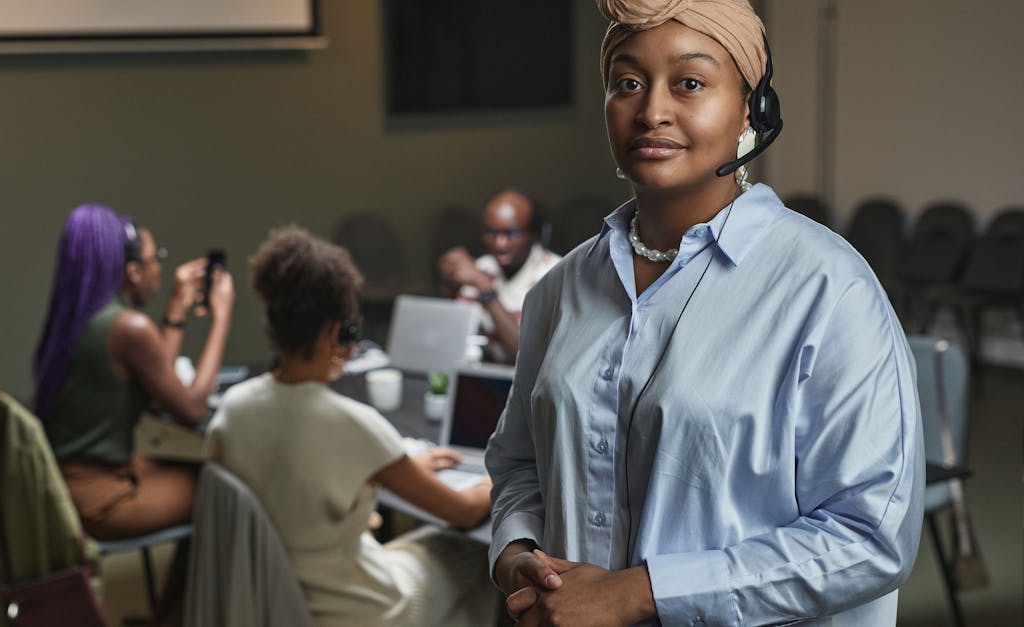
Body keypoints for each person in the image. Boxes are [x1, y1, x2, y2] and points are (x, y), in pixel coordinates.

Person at [486, 2, 924, 625]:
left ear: (751, 108)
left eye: (689, 83)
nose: (652, 110)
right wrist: (517, 552)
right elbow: (518, 463)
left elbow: (871, 537)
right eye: (627, 83)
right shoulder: (557, 291)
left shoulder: (828, 289)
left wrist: (639, 593)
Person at [206, 226, 498, 627]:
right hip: (364, 609)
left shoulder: (232, 409)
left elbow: (297, 479)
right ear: (332, 332)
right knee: (475, 554)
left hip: (273, 598)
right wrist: (498, 478)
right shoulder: (353, 424)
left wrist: (407, 467)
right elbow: (463, 513)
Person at [32, 203, 234, 540]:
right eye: (155, 259)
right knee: (230, 491)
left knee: (213, 483)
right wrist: (222, 316)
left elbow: (157, 391)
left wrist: (174, 310)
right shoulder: (130, 327)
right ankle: (193, 595)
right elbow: (191, 410)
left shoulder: (80, 319)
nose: (159, 270)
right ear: (135, 272)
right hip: (101, 499)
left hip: (64, 484)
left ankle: (184, 595)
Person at [438, 189, 561, 363]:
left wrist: (485, 289)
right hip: (485, 379)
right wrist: (450, 287)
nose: (500, 244)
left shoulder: (554, 274)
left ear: (534, 234)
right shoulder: (483, 267)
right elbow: (452, 338)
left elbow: (525, 355)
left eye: (511, 234)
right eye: (492, 233)